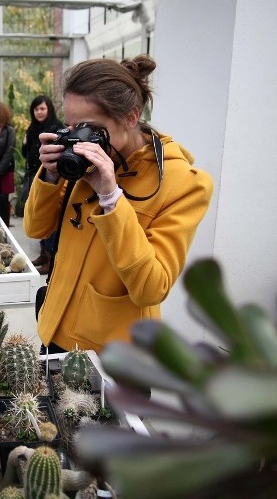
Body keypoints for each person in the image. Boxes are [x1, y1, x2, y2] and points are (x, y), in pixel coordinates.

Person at [24, 54, 214, 354]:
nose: (79, 138)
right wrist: (50, 174)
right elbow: (36, 228)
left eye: (89, 127)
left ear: (131, 117)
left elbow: (152, 286)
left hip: (114, 355)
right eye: (71, 126)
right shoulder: (83, 160)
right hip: (53, 327)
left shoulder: (184, 184)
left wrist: (112, 197)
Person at [21, 95, 65, 275]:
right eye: (36, 109)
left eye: (42, 108)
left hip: (52, 179)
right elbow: (27, 154)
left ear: (49, 109)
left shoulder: (56, 128)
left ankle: (50, 257)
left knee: (50, 216)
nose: (39, 112)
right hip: (35, 176)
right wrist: (25, 142)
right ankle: (43, 253)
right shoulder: (32, 129)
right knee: (38, 213)